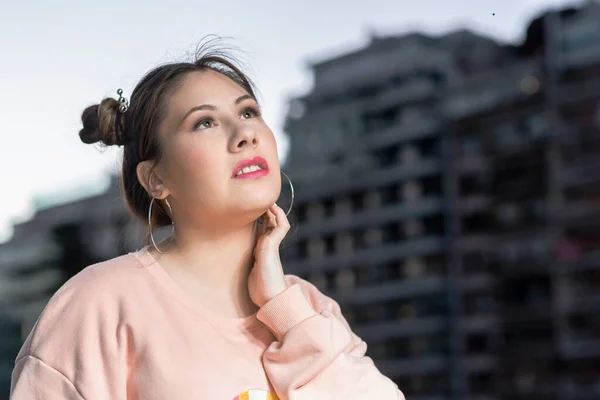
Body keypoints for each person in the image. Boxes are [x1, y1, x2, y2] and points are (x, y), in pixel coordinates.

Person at [10, 41, 405, 400]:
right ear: (156, 178)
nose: (245, 133)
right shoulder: (99, 304)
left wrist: (281, 306)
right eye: (205, 122)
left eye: (248, 111)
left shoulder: (308, 309)